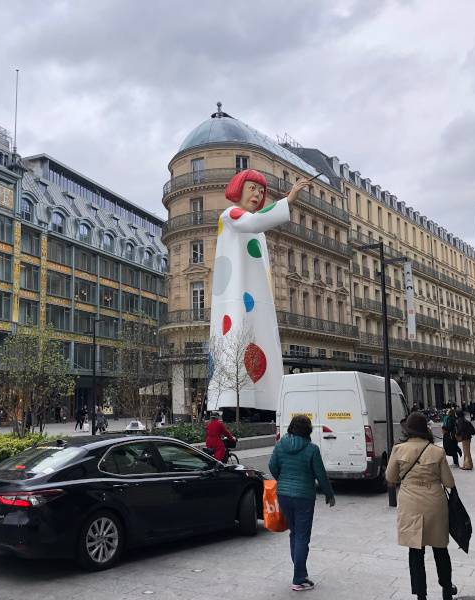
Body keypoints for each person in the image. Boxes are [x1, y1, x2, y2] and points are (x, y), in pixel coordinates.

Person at [207, 168, 309, 416]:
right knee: (237, 340)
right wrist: (288, 201)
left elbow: (257, 218)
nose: (258, 193)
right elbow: (252, 220)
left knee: (257, 339)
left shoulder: (255, 228)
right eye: (252, 187)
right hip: (236, 295)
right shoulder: (230, 214)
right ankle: (237, 403)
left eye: (261, 191)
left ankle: (263, 403)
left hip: (255, 298)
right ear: (238, 189)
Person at [386, 412, 458, 600]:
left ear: (408, 431)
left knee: (415, 552)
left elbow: (391, 478)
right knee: (440, 548)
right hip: (435, 503)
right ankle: (446, 589)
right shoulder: (437, 451)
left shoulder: (398, 450)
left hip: (410, 503)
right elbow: (449, 482)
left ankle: (421, 594)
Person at [268, 414, 335, 592]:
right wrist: (329, 495)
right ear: (308, 430)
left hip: (283, 495)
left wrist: (282, 481)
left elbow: (272, 465)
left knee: (295, 534)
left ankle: (300, 573)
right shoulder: (312, 449)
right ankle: (298, 579)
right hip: (304, 496)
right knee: (302, 537)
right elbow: (321, 474)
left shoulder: (280, 444)